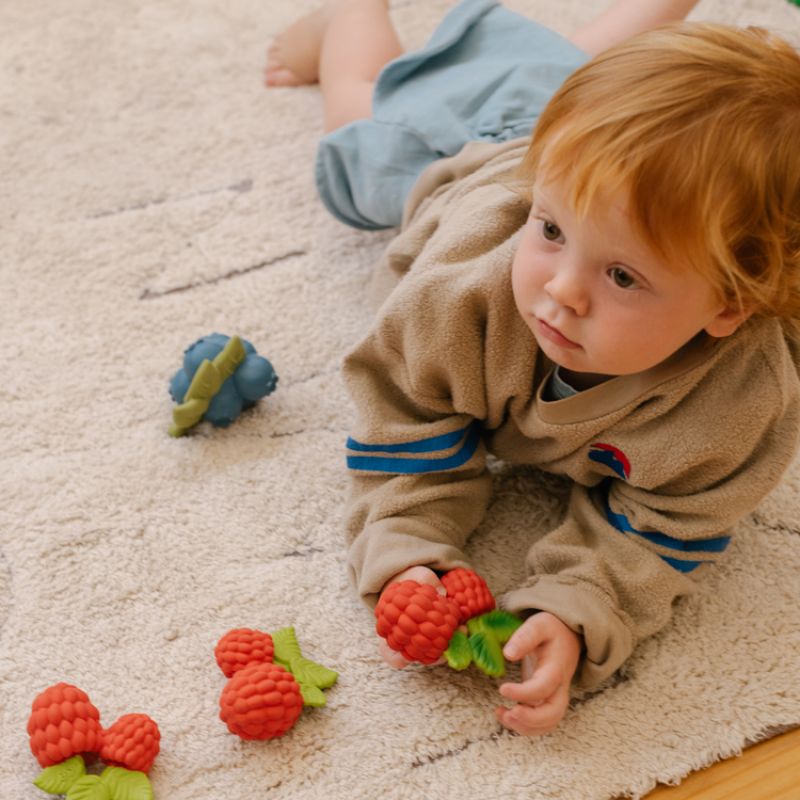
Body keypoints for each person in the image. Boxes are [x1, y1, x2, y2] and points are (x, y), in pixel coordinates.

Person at [266, 0, 800, 736]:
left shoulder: (741, 404)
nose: (561, 291)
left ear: (731, 308)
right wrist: (405, 550)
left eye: (623, 278)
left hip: (571, 144)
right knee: (361, 124)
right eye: (548, 232)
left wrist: (580, 611)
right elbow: (405, 416)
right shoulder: (461, 298)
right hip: (472, 150)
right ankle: (348, 23)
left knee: (559, 68)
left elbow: (668, 526)